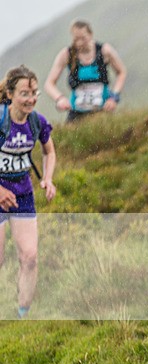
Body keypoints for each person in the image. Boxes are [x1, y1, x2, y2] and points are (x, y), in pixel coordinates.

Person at [0, 66, 57, 318]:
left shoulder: (37, 122)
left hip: (22, 194)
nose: (31, 98)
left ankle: (23, 315)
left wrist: (47, 178)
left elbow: (49, 151)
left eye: (34, 93)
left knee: (30, 256)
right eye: (24, 93)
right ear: (10, 94)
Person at [44, 20, 127, 123]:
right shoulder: (66, 54)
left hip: (103, 110)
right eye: (76, 39)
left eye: (83, 38)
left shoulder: (104, 50)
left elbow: (122, 72)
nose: (79, 43)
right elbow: (49, 83)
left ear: (91, 35)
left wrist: (114, 97)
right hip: (77, 113)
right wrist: (59, 98)